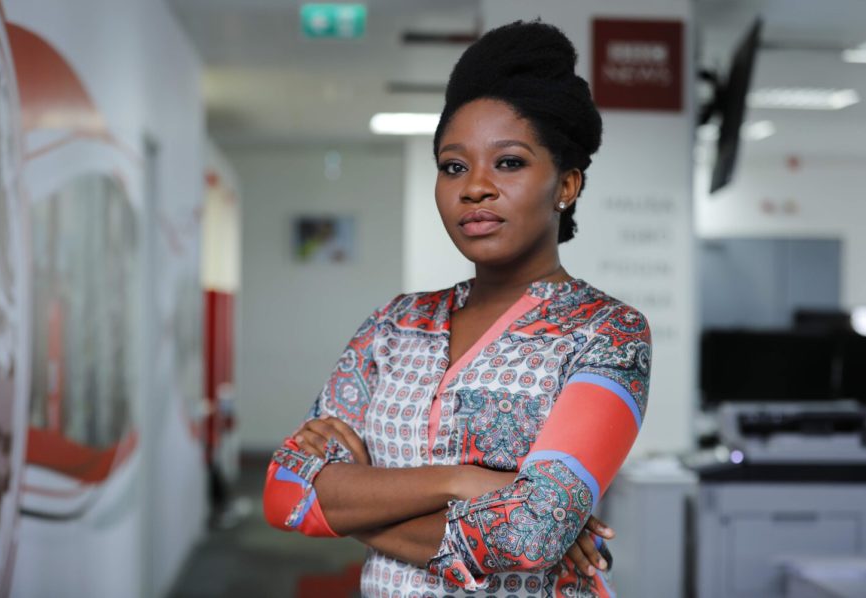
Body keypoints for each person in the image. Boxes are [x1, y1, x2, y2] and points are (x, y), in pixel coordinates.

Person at [263, 20, 651, 597]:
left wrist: (345, 505)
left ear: (566, 186)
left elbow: (528, 536)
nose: (474, 188)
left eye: (509, 162)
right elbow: (285, 492)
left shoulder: (607, 332)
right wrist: (462, 480)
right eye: (454, 166)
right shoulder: (395, 325)